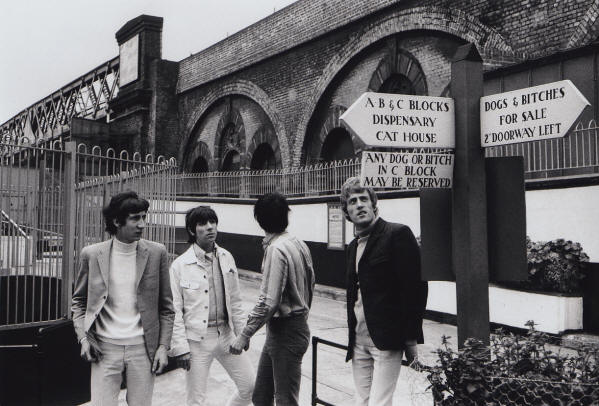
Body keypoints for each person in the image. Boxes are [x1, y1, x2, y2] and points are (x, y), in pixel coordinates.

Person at [71, 190, 175, 406]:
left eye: (144, 217)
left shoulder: (157, 253)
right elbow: (79, 303)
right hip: (104, 348)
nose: (142, 224)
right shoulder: (91, 254)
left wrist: (163, 347)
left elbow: (166, 308)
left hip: (143, 348)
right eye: (135, 218)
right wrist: (83, 339)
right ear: (117, 221)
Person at [340, 177, 428, 406]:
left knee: (380, 403)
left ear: (373, 204)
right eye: (352, 201)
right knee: (361, 401)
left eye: (364, 199)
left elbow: (415, 290)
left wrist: (410, 340)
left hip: (387, 340)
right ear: (346, 212)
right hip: (358, 340)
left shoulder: (396, 234)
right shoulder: (352, 247)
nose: (359, 205)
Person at [230, 192, 315, 406]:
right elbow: (311, 283)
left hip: (287, 330)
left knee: (285, 400)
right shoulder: (297, 242)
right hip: (284, 330)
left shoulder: (276, 249)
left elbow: (268, 301)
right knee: (261, 396)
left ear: (260, 220)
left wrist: (244, 335)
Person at [169, 206, 254, 406]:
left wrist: (242, 333)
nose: (209, 228)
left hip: (226, 334)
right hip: (197, 341)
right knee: (196, 400)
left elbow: (235, 300)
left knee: (249, 386)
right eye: (202, 224)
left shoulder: (226, 257)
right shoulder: (180, 266)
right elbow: (174, 310)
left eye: (212, 222)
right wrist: (180, 347)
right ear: (192, 230)